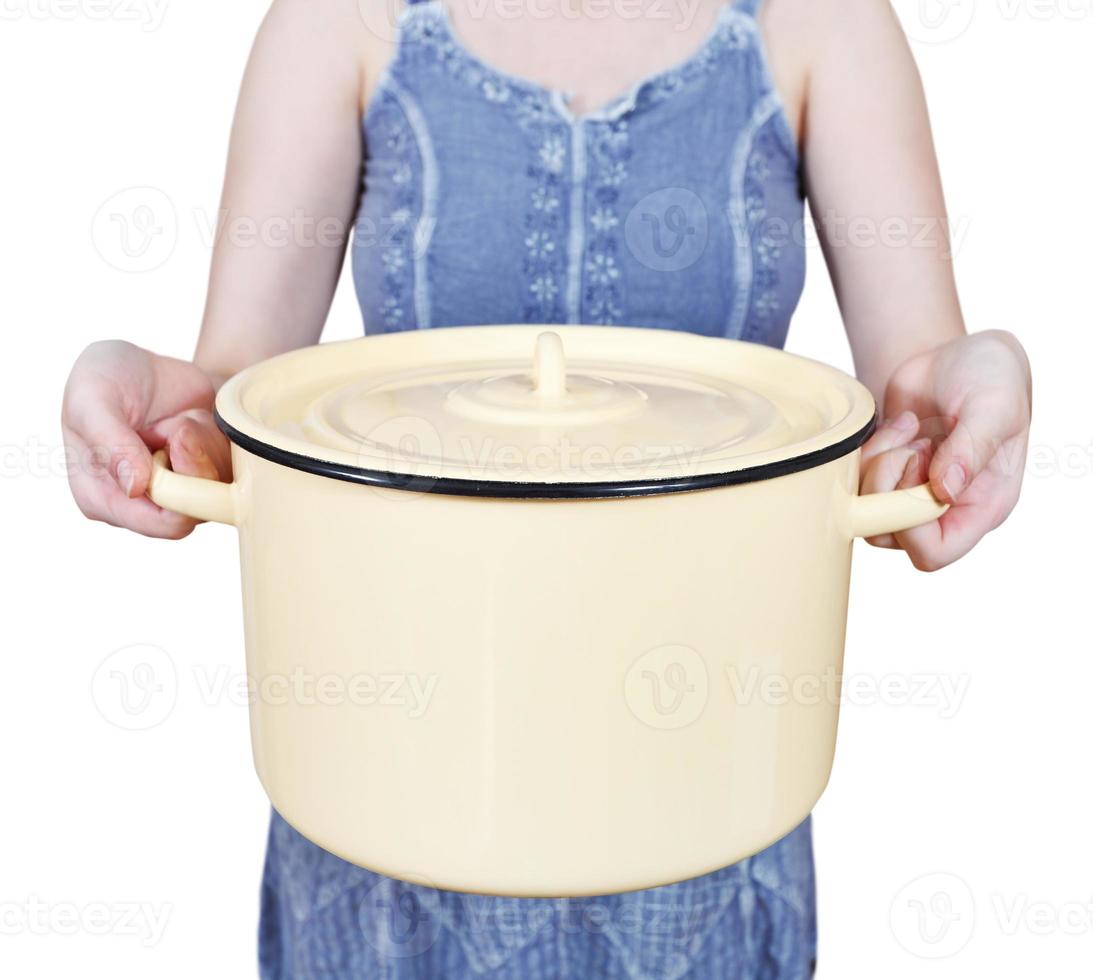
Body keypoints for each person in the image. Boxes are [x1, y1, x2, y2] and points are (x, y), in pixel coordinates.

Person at [61, 0, 1031, 975]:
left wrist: (957, 406)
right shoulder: (334, 21)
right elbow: (247, 404)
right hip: (384, 792)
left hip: (707, 800)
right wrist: (166, 418)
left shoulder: (825, 22)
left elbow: (912, 395)